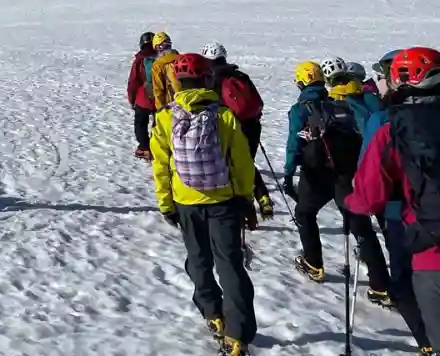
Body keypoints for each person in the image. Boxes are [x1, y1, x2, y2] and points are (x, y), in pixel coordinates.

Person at [150, 51, 257, 356]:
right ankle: (238, 335)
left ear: (177, 81)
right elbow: (242, 163)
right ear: (208, 79)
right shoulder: (224, 116)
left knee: (198, 259)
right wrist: (246, 198)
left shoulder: (165, 117)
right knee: (230, 265)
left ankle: (213, 313)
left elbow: (161, 165)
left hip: (185, 202)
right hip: (224, 201)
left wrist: (166, 203)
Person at [347, 46, 440, 353]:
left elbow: (368, 195)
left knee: (405, 287)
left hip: (428, 249)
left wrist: (352, 203)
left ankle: (426, 344)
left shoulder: (391, 128)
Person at [283, 61, 391, 305]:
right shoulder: (341, 101)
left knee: (304, 213)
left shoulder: (301, 108)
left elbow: (293, 143)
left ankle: (313, 264)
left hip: (317, 175)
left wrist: (289, 172)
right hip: (347, 173)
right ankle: (381, 285)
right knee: (360, 227)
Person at [205, 42, 274, 220]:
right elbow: (257, 101)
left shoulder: (211, 78)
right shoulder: (240, 75)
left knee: (233, 166)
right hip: (252, 125)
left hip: (231, 127)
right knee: (247, 162)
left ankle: (244, 208)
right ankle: (263, 197)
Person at [126, 31, 158, 160]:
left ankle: (144, 148)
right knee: (158, 124)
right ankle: (158, 146)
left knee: (140, 124)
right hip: (160, 97)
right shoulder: (162, 58)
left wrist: (132, 99)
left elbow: (133, 82)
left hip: (143, 98)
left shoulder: (139, 60)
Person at [150, 31, 181, 111]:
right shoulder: (182, 59)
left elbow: (158, 90)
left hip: (170, 106)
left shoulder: (157, 65)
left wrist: (160, 110)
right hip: (185, 102)